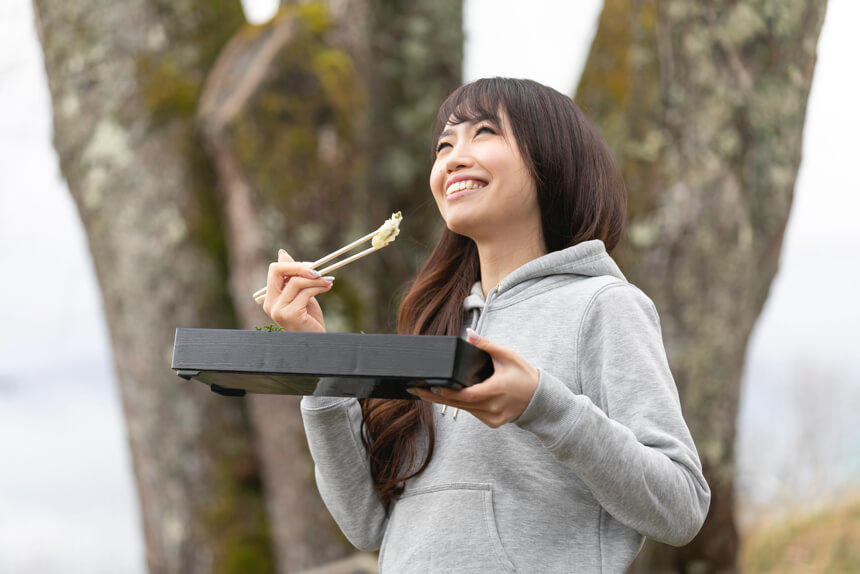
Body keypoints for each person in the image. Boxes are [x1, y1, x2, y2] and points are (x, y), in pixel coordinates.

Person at [263, 77, 711, 573]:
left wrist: (543, 406)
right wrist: (318, 362)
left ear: (551, 158)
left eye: (484, 133)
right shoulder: (435, 321)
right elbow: (366, 523)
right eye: (443, 145)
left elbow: (681, 506)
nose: (452, 158)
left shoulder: (602, 305)